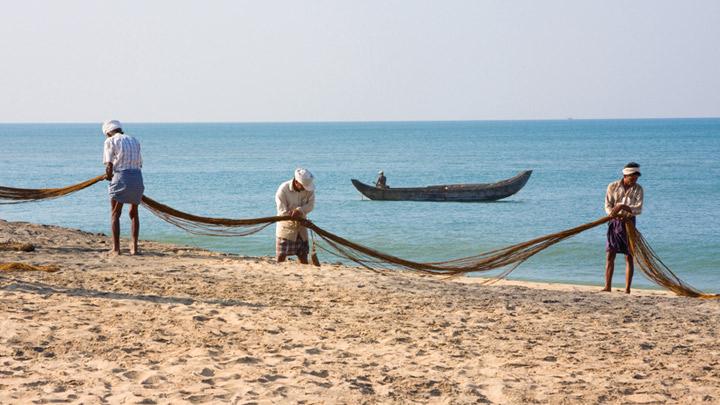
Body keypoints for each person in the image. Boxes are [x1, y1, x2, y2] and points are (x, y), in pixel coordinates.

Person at [102, 120, 144, 256]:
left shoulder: (110, 141)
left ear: (108, 132)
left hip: (122, 177)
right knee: (134, 213)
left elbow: (109, 165)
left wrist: (108, 176)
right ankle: (134, 248)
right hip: (137, 178)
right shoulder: (134, 140)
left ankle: (116, 248)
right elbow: (140, 163)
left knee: (115, 213)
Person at [602, 162, 643, 294]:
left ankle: (627, 289)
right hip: (614, 222)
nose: (634, 181)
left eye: (636, 178)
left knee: (629, 256)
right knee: (610, 255)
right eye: (632, 178)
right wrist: (613, 214)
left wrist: (623, 207)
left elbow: (638, 208)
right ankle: (607, 286)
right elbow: (608, 205)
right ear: (625, 175)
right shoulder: (612, 186)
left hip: (629, 223)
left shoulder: (638, 189)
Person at [275, 168, 315, 264]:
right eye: (303, 186)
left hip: (301, 228)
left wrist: (299, 210)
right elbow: (281, 210)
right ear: (296, 182)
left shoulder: (309, 190)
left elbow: (310, 205)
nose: (305, 189)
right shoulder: (283, 189)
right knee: (281, 256)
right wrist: (290, 214)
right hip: (286, 227)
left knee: (303, 255)